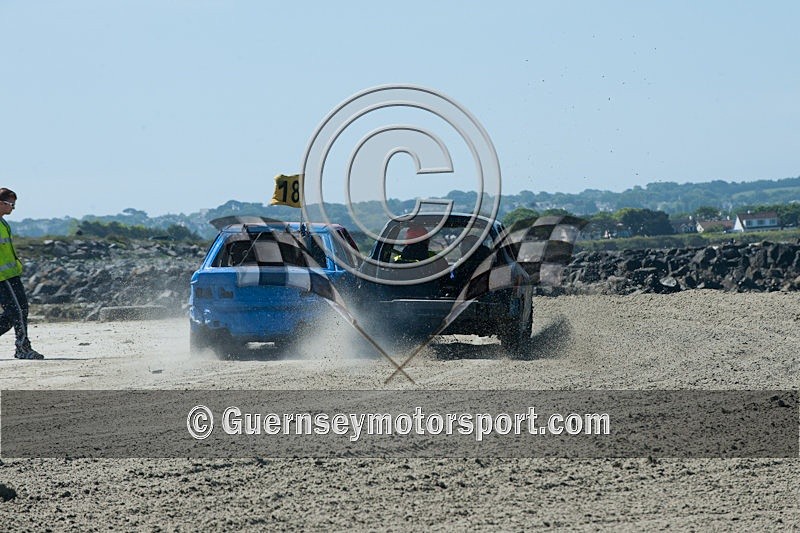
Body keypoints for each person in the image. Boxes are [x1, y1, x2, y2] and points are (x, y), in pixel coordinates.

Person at [0, 188, 44, 359]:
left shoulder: (4, 223)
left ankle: (23, 347)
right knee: (16, 311)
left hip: (11, 275)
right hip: (1, 278)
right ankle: (23, 348)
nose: (13, 208)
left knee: (20, 311)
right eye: (11, 204)